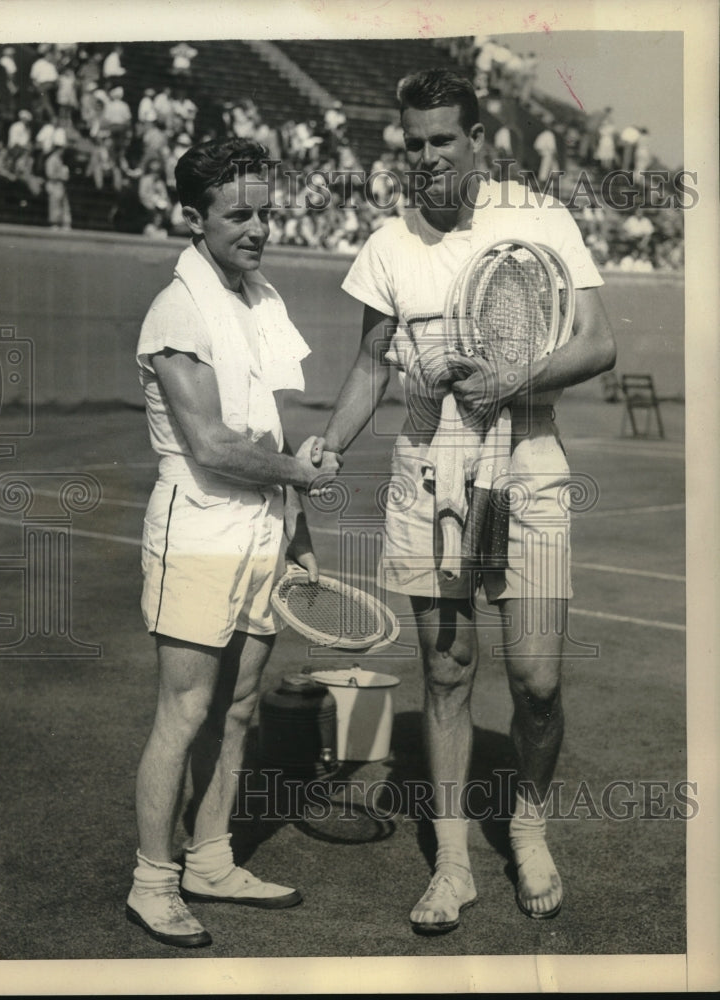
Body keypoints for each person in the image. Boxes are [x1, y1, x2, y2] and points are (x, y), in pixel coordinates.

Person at [310, 68, 616, 935]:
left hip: (529, 467)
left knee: (538, 682)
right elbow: (370, 367)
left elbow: (598, 343)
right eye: (413, 143)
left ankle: (526, 827)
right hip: (428, 472)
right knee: (445, 672)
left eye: (443, 139)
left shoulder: (540, 219)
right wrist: (329, 446)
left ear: (478, 140)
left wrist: (508, 377)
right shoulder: (386, 244)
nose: (427, 157)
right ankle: (451, 862)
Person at [128, 137, 341, 948]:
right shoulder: (178, 309)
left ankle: (210, 858)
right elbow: (213, 446)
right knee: (183, 711)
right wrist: (299, 474)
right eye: (238, 214)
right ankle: (153, 882)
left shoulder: (259, 296)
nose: (257, 228)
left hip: (260, 528)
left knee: (242, 705)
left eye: (264, 211)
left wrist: (300, 528)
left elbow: (269, 430)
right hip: (199, 531)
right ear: (193, 218)